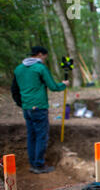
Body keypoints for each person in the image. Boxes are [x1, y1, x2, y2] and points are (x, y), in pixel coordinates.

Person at [12, 46, 69, 174]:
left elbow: (14, 90)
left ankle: (33, 163)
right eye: (44, 57)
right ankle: (38, 165)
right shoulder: (40, 68)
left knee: (31, 136)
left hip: (27, 108)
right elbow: (53, 87)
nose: (44, 59)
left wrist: (22, 103)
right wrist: (63, 85)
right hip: (39, 107)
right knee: (41, 136)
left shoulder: (19, 69)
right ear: (39, 54)